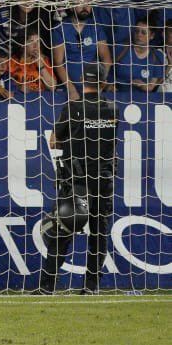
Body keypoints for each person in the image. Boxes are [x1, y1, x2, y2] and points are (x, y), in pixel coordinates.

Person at [37, 63, 119, 293]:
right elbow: (111, 145)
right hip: (103, 181)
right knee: (99, 233)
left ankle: (47, 287)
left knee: (63, 230)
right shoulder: (113, 110)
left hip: (77, 181)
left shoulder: (73, 108)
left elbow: (53, 141)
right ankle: (91, 286)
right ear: (102, 83)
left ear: (83, 80)